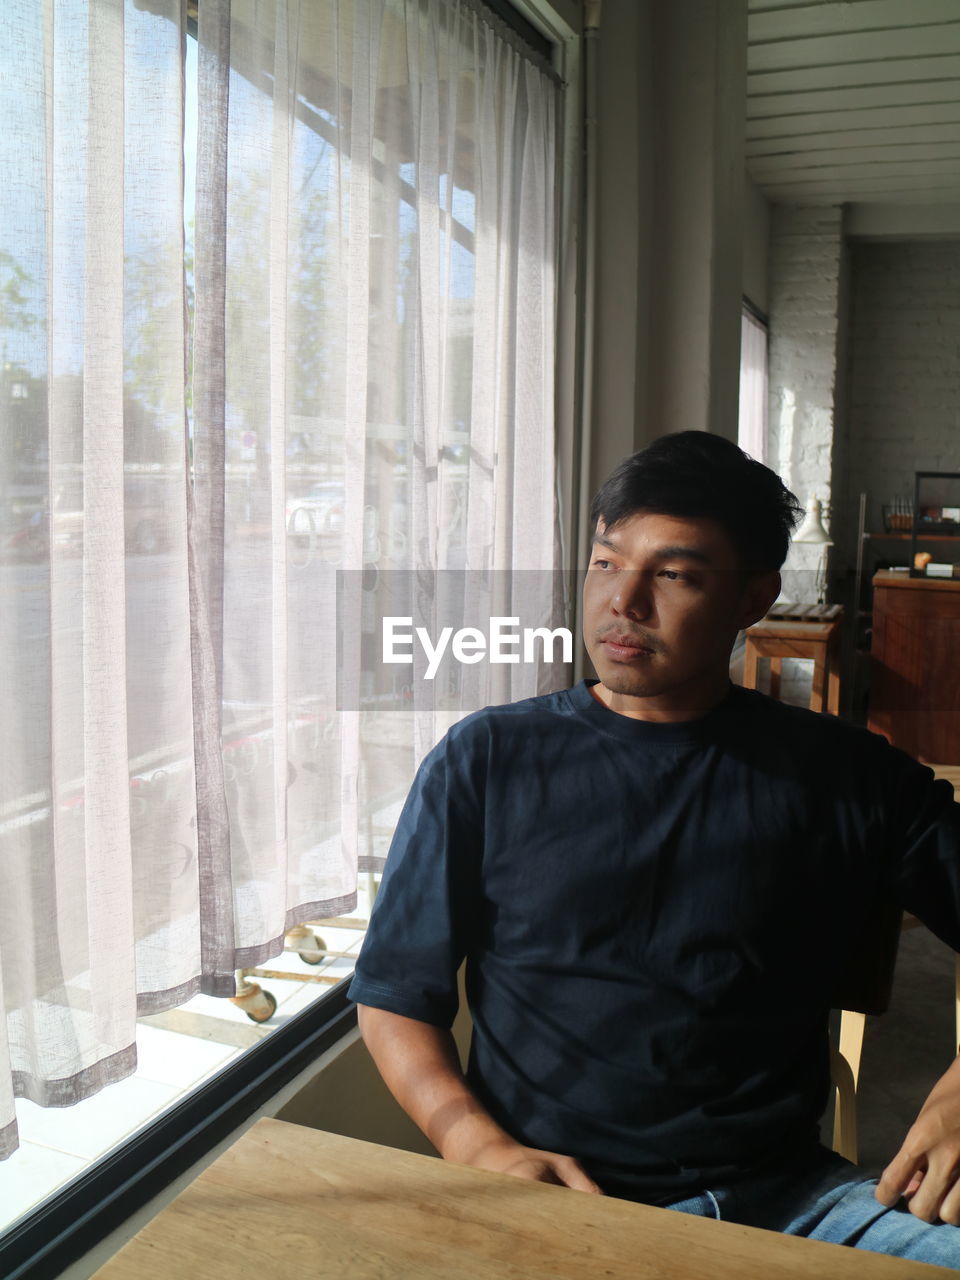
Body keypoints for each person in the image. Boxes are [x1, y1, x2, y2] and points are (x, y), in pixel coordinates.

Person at [348, 431, 960, 1265]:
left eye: (674, 574)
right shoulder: (485, 760)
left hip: (790, 1199)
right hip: (549, 1196)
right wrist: (476, 1147)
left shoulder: (848, 777)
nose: (623, 603)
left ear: (754, 596)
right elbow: (394, 995)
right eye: (607, 563)